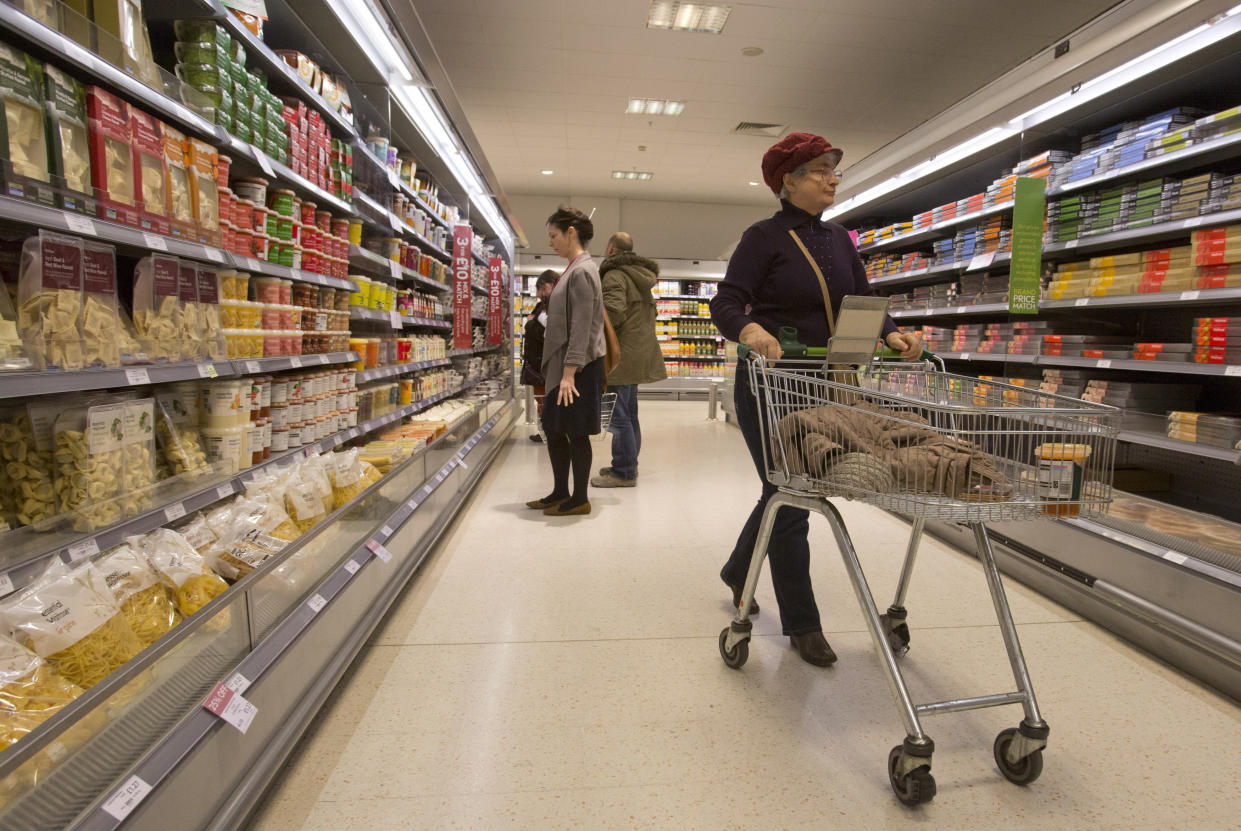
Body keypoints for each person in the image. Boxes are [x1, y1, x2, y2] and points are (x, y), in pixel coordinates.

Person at [710, 132, 923, 667]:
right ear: (789, 181)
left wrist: (891, 333)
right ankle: (803, 623)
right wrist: (751, 330)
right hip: (770, 383)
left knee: (784, 488)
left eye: (834, 170)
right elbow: (727, 301)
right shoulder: (761, 237)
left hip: (825, 384)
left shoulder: (840, 239)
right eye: (820, 169)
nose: (832, 178)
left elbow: (863, 301)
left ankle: (739, 569)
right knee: (792, 494)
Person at [526, 207, 607, 517]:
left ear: (571, 232)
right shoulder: (573, 269)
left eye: (553, 235)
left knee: (576, 430)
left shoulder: (584, 271)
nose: (551, 242)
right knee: (555, 428)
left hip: (578, 369)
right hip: (564, 368)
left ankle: (579, 498)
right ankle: (560, 491)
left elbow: (582, 327)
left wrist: (569, 373)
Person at [591, 232, 666, 487]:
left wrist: (589, 330)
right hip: (638, 353)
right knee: (629, 413)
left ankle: (624, 471)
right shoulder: (641, 277)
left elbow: (613, 312)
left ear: (610, 248)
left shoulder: (614, 275)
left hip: (620, 355)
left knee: (616, 415)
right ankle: (627, 463)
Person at [521, 270, 559, 442]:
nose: (539, 294)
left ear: (552, 284)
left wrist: (531, 323)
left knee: (546, 399)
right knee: (541, 399)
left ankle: (550, 434)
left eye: (542, 288)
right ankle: (545, 432)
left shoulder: (557, 305)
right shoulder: (543, 305)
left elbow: (548, 332)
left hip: (545, 363)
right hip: (538, 362)